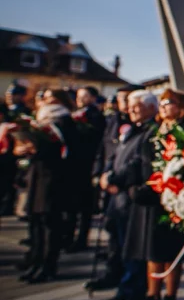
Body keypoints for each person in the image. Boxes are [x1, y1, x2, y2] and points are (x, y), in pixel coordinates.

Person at [124, 89, 184, 300]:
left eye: (171, 102)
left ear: (182, 106)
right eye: (162, 103)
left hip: (172, 203)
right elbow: (139, 161)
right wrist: (134, 184)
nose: (165, 106)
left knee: (169, 255)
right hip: (148, 201)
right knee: (151, 254)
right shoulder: (153, 132)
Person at [95, 90, 156, 300]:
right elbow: (114, 155)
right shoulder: (129, 130)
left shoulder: (151, 132)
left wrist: (115, 179)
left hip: (132, 198)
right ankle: (123, 289)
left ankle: (134, 292)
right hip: (117, 199)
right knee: (120, 247)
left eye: (136, 105)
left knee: (133, 252)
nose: (130, 110)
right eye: (129, 105)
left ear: (150, 107)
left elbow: (138, 164)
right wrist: (105, 174)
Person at [13, 89, 78, 283]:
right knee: (37, 223)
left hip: (53, 179)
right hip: (36, 176)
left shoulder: (66, 121)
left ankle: (48, 265)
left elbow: (67, 150)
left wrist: (39, 145)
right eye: (45, 98)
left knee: (50, 224)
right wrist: (24, 147)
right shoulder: (41, 121)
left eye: (51, 98)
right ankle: (36, 261)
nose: (46, 101)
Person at [87, 85, 140, 291]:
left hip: (125, 189)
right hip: (109, 186)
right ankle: (112, 272)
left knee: (127, 237)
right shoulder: (112, 122)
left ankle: (129, 280)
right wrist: (99, 174)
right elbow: (105, 150)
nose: (124, 104)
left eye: (127, 99)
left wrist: (117, 179)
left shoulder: (138, 126)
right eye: (120, 100)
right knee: (112, 232)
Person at [65, 85, 106, 251]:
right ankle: (67, 236)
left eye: (85, 96)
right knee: (70, 206)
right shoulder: (73, 114)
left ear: (93, 98)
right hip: (73, 166)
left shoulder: (96, 116)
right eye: (78, 96)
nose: (80, 99)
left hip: (87, 165)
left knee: (84, 207)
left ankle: (81, 239)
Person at [0, 84, 29, 216]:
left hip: (16, 150)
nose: (10, 98)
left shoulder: (24, 111)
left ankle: (9, 205)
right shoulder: (4, 110)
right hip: (3, 150)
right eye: (8, 95)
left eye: (13, 95)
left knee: (13, 179)